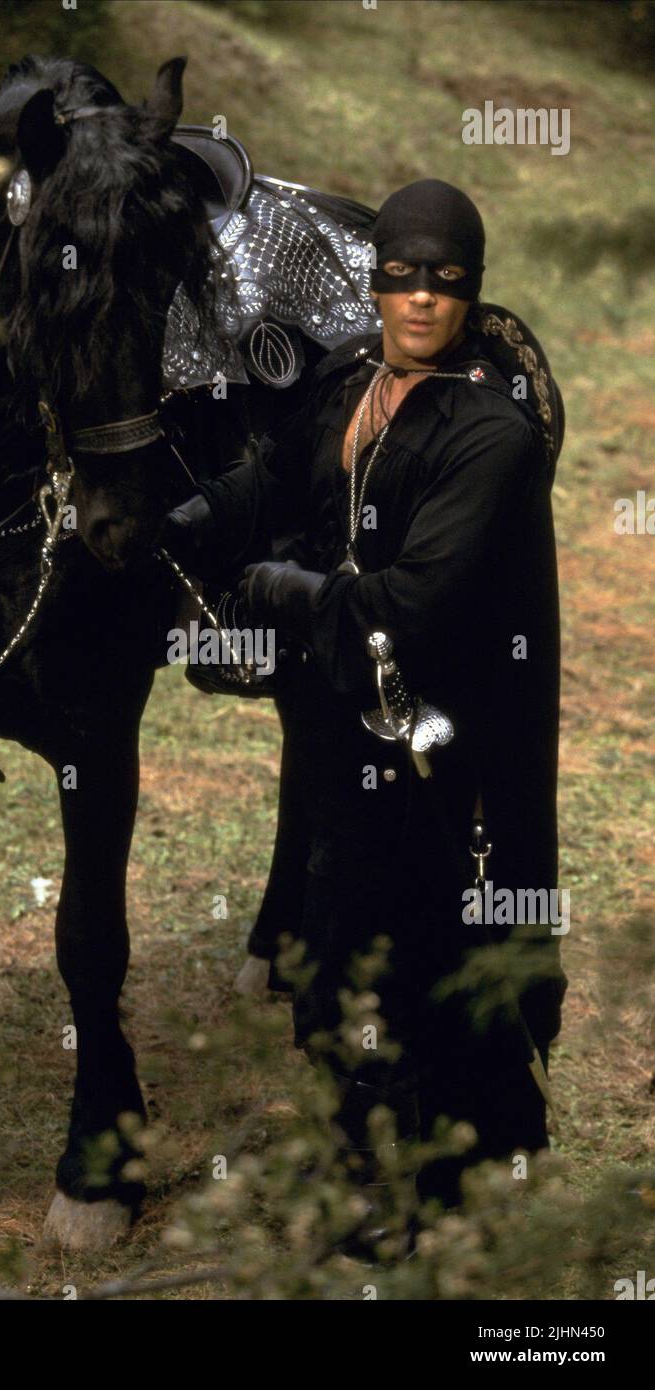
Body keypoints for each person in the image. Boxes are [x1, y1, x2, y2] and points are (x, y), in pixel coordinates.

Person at [162, 179, 567, 1239]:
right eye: (401, 275)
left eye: (445, 280)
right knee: (332, 958)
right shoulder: (350, 383)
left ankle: (441, 1204)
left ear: (472, 291)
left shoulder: (491, 435)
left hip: (449, 752)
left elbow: (420, 604)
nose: (420, 298)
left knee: (434, 971)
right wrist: (194, 514)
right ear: (374, 279)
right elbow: (281, 477)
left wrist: (297, 595)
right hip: (343, 730)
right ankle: (353, 1182)